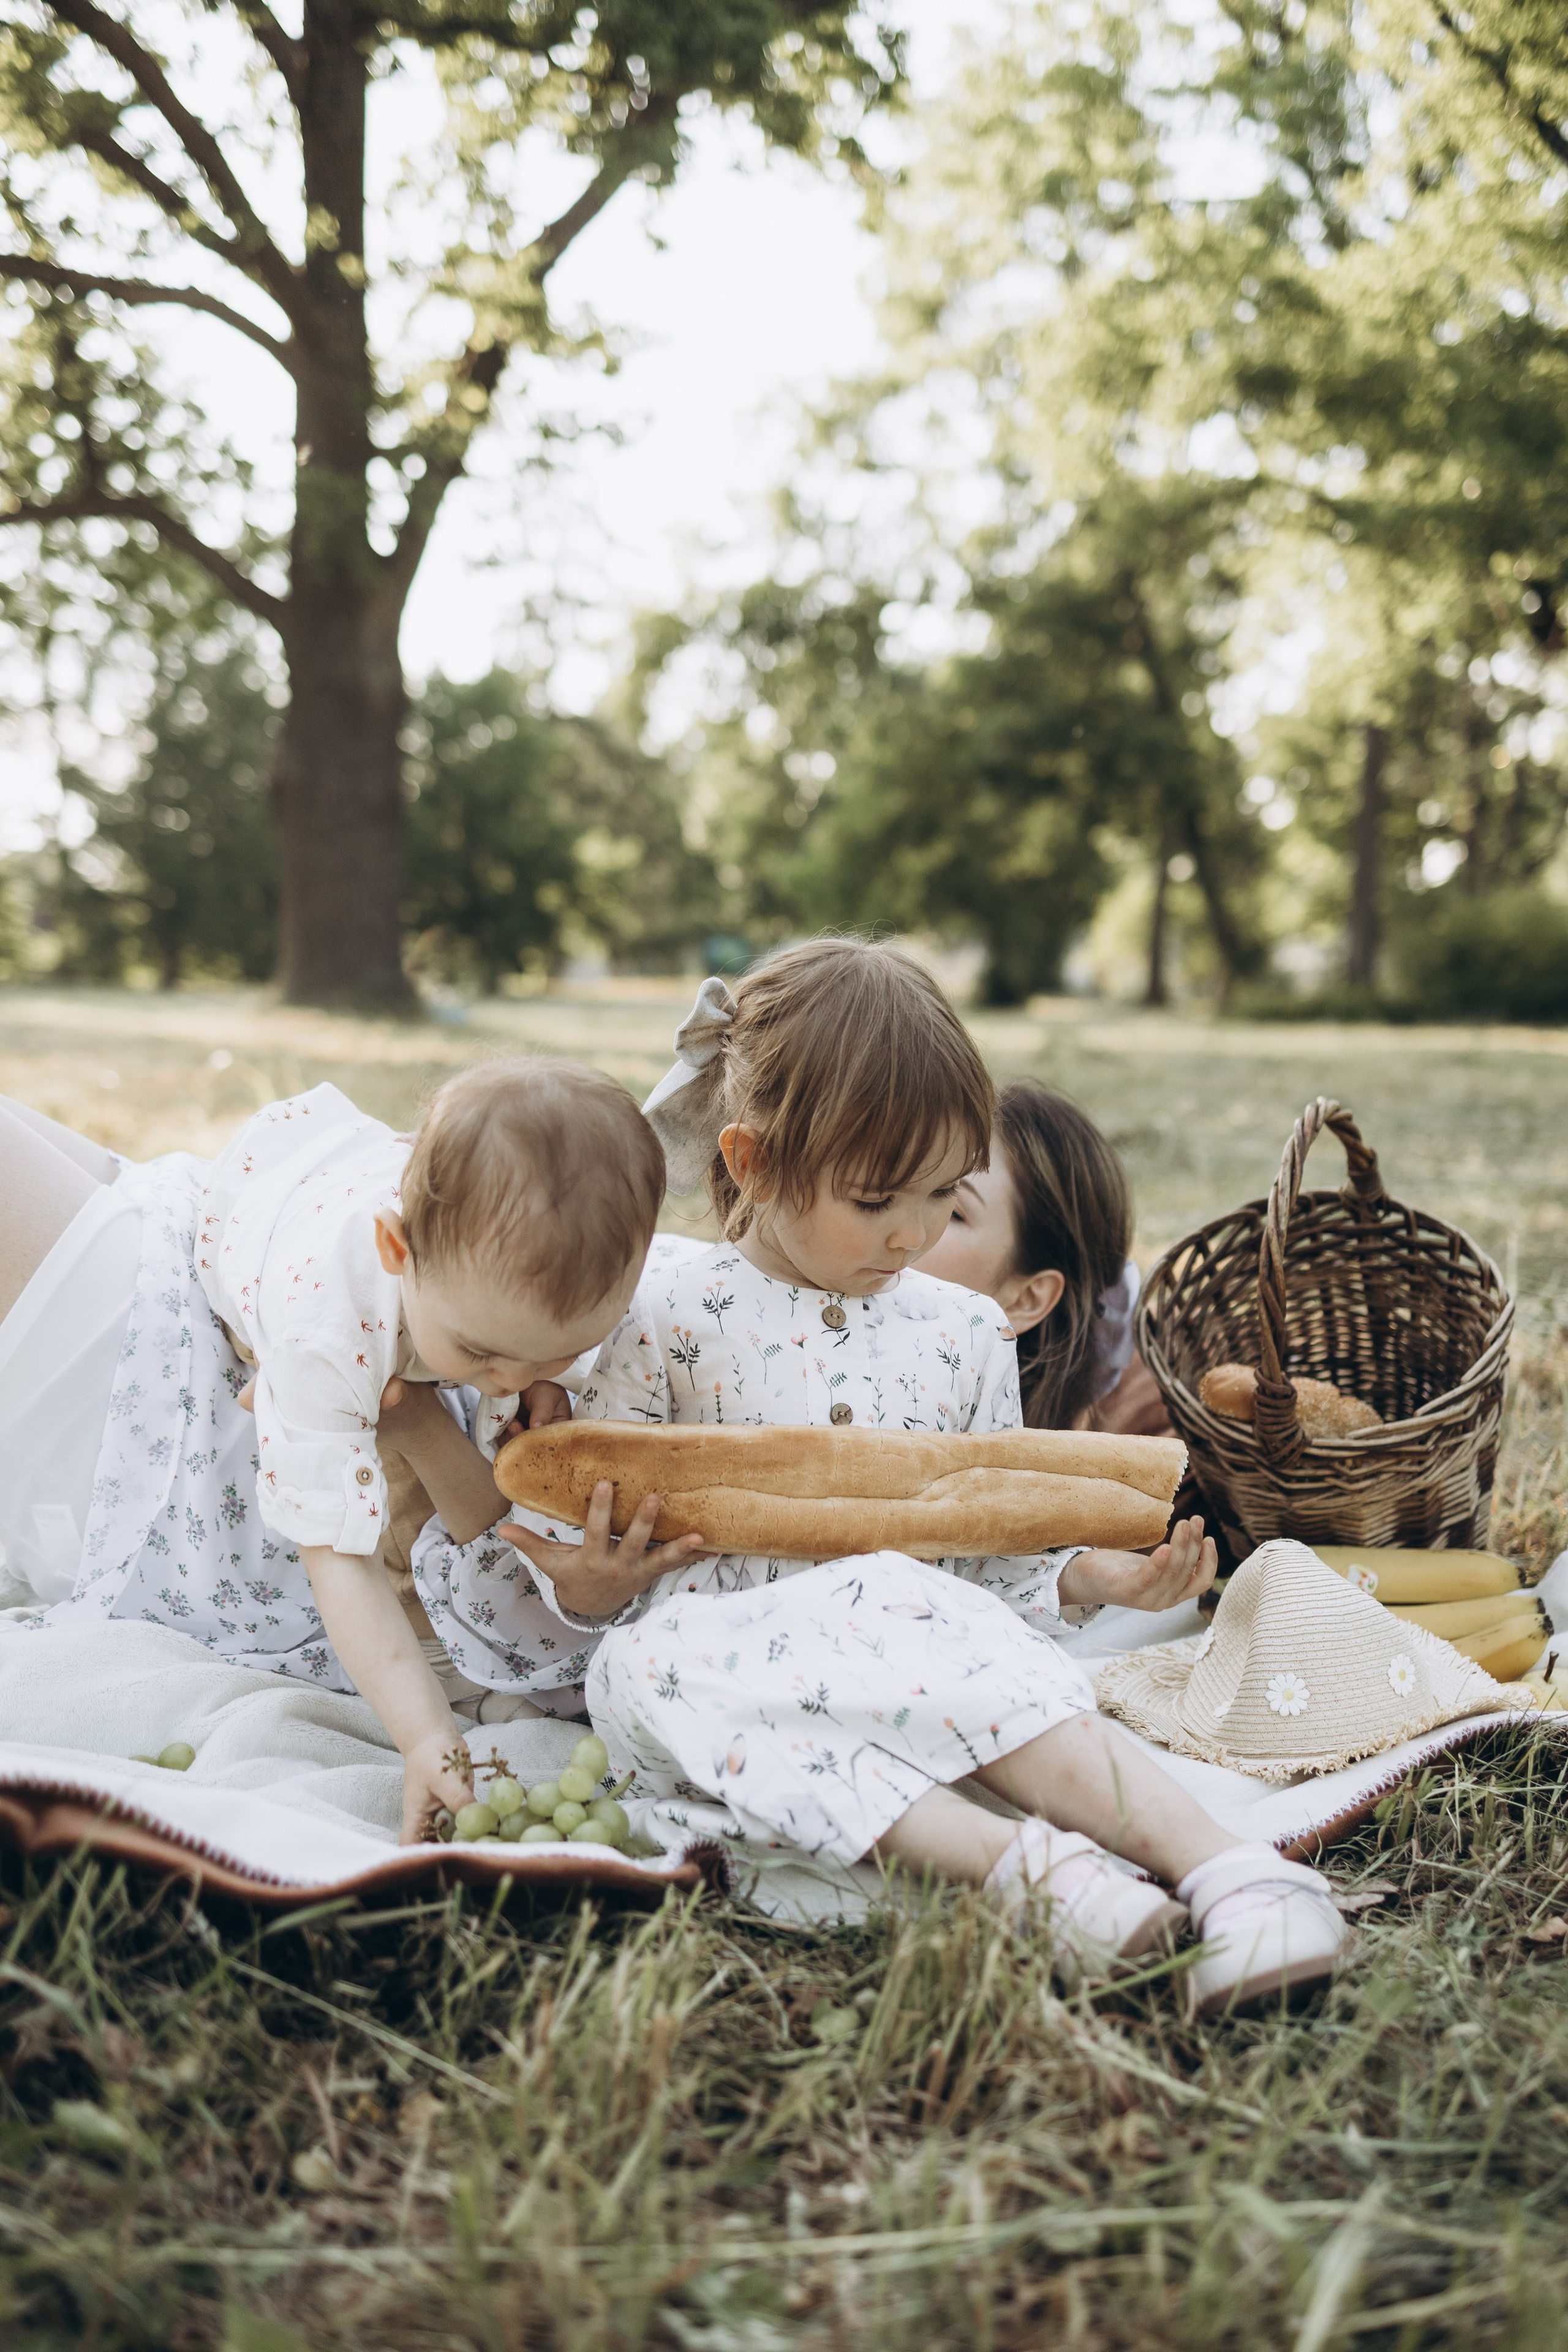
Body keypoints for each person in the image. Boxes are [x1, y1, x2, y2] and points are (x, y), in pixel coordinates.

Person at [406, 943, 1345, 2009]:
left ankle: (1232, 1868)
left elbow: (987, 1571)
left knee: (952, 1632)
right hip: (718, 1653)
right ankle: (1037, 1873)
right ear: (751, 1164)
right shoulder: (662, 1317)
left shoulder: (964, 1332)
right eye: (873, 1198)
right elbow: (580, 1572)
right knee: (635, 1674)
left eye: (944, 1196)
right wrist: (597, 1582)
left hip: (911, 1623)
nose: (910, 1231)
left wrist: (1088, 1581)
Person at [0, 1061, 684, 1841]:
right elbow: (339, 1559)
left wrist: (549, 1377)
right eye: (484, 1354)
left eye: (554, 1354)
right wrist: (429, 1740)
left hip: (258, 1198)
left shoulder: (514, 1277)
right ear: (397, 1247)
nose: (515, 1380)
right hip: (236, 1229)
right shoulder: (328, 1337)